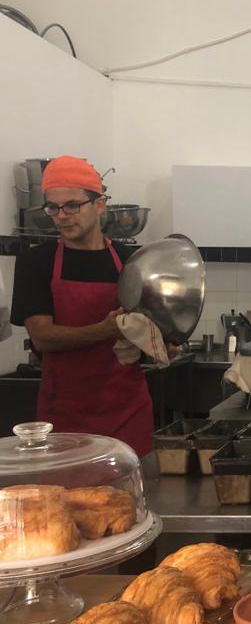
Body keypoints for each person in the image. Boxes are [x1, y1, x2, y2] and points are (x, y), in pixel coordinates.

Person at [10, 156, 154, 461]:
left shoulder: (133, 261)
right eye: (54, 207)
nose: (62, 216)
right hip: (64, 416)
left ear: (99, 205)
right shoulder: (36, 262)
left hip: (126, 411)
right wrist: (106, 330)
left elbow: (156, 330)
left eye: (73, 205)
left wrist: (154, 343)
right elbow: (43, 338)